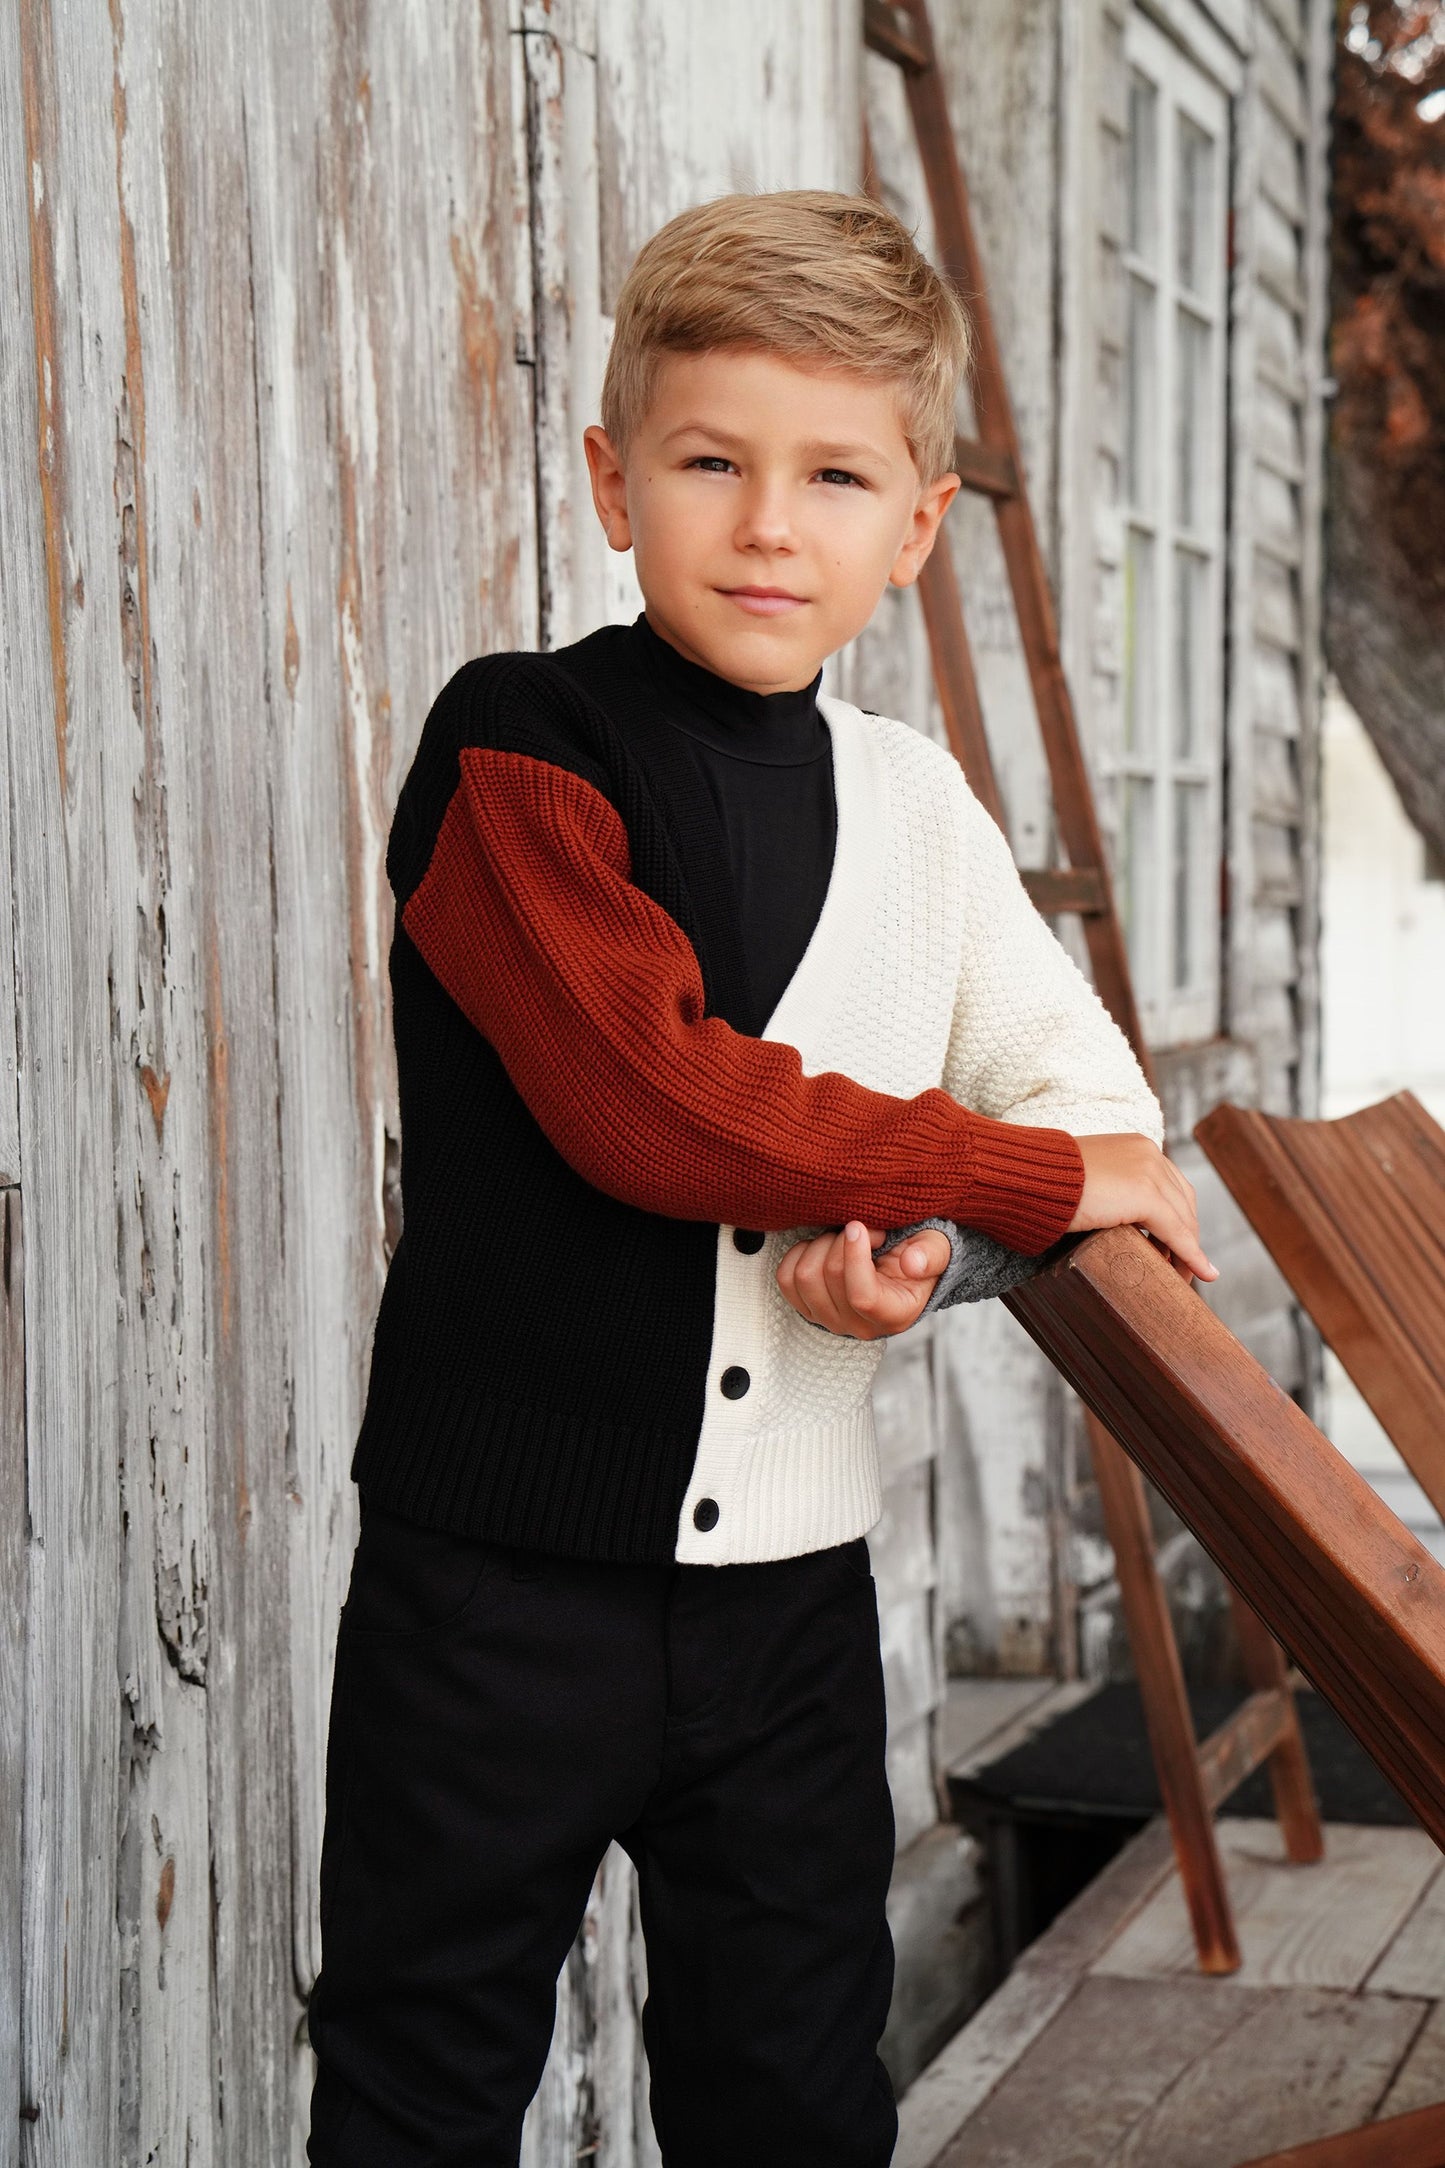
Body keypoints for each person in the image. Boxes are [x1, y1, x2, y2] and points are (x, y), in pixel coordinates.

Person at [305, 188, 1213, 2168]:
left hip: (789, 1611)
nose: (770, 521)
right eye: (712, 461)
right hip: (495, 1592)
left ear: (920, 523)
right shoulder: (515, 752)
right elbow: (659, 1103)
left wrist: (943, 1241)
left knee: (795, 2099)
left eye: (834, 472)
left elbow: (1103, 1120)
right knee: (422, 2085)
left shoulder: (920, 809)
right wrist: (1014, 1170)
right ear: (614, 479)